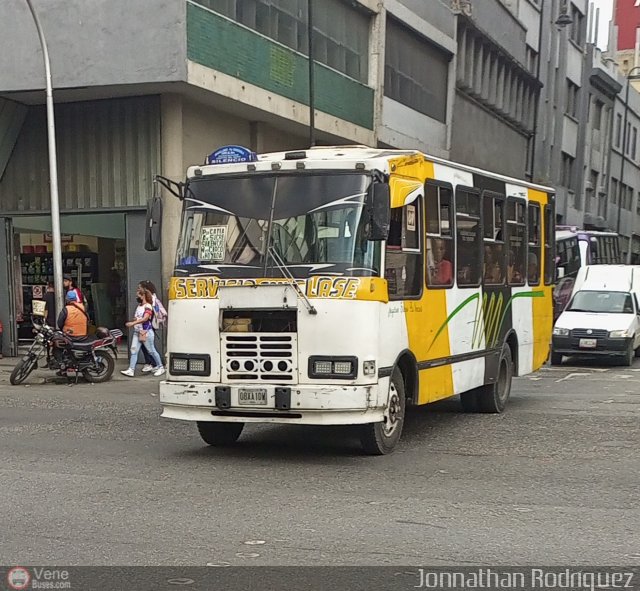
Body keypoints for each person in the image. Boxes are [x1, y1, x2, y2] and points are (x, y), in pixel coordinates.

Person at [121, 287, 164, 378]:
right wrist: (135, 320)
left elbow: (145, 318)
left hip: (145, 332)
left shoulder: (148, 306)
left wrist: (133, 323)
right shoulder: (139, 306)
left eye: (138, 295)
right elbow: (139, 317)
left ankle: (160, 367)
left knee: (151, 351)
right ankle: (131, 369)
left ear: (143, 296)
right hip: (138, 331)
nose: (137, 297)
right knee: (134, 350)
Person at [138, 280, 167, 373]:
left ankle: (156, 364)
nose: (138, 290)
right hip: (147, 326)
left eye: (139, 288)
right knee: (146, 346)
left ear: (145, 289)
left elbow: (152, 312)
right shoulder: (151, 298)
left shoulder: (152, 299)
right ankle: (153, 364)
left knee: (149, 347)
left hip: (148, 325)